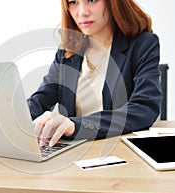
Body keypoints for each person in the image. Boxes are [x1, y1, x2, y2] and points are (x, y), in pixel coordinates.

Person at [27, 0, 162, 147]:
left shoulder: (142, 44)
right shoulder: (68, 52)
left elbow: (144, 108)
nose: (82, 12)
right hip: (74, 153)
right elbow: (40, 99)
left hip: (120, 151)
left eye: (91, 0)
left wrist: (75, 125)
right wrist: (13, 120)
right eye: (73, 2)